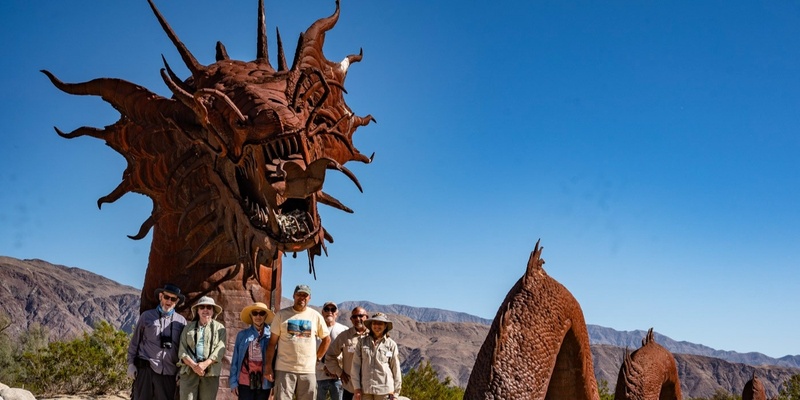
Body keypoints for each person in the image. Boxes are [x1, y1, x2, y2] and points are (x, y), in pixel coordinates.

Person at [264, 284, 331, 400]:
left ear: (309, 298)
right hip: (284, 369)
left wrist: (318, 358)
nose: (302, 298)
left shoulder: (315, 316)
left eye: (305, 295)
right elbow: (272, 343)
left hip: (307, 370)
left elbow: (327, 339)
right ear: (294, 296)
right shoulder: (281, 315)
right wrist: (268, 366)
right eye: (299, 294)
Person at [127, 283, 188, 400]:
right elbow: (135, 342)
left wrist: (181, 370)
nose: (169, 301)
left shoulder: (181, 322)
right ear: (161, 296)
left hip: (168, 373)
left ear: (177, 302)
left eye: (173, 299)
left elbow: (183, 348)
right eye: (166, 297)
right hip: (146, 370)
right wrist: (130, 364)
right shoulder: (147, 316)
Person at [177, 296, 226, 400]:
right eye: (202, 307)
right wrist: (195, 366)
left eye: (209, 307)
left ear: (213, 311)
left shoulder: (220, 329)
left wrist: (204, 364)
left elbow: (220, 350)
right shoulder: (188, 328)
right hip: (189, 371)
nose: (205, 310)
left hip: (210, 372)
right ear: (197, 311)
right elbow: (182, 351)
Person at [230, 302, 276, 400]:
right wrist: (233, 382)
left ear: (266, 315)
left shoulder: (272, 336)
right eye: (255, 313)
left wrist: (274, 385)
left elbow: (276, 360)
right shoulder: (242, 335)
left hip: (265, 382)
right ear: (251, 316)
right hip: (244, 381)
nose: (258, 316)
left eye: (261, 313)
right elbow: (235, 360)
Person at [351, 313, 402, 400]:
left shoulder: (391, 344)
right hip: (365, 389)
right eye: (375, 323)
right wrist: (357, 388)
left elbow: (395, 368)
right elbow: (355, 366)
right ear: (371, 325)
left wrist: (396, 392)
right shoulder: (362, 342)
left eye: (380, 323)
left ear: (385, 326)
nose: (377, 326)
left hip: (385, 390)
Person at [324, 306, 370, 400]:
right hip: (350, 388)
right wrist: (339, 372)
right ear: (351, 319)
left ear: (366, 317)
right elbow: (330, 356)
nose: (358, 319)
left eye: (361, 316)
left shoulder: (373, 336)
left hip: (370, 389)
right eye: (354, 317)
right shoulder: (344, 336)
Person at [316, 301, 348, 400]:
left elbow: (347, 354)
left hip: (337, 376)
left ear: (336, 313)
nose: (330, 312)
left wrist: (335, 369)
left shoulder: (344, 330)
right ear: (322, 312)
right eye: (327, 309)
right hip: (319, 375)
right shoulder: (315, 329)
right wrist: (323, 367)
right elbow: (311, 351)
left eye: (332, 309)